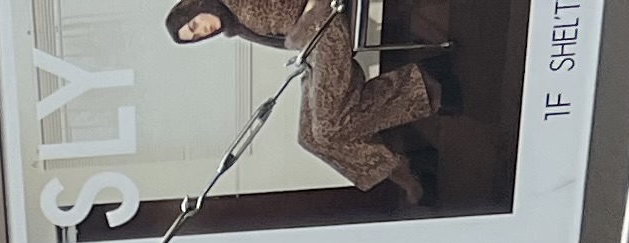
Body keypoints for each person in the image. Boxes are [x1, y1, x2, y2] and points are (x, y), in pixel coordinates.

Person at [167, 0, 442, 201]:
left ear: (197, 6)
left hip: (327, 21)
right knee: (310, 136)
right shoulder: (236, 23)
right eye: (196, 36)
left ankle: (425, 88)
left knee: (329, 125)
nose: (201, 30)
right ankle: (397, 167)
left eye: (194, 24)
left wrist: (310, 16)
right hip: (314, 46)